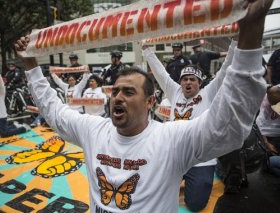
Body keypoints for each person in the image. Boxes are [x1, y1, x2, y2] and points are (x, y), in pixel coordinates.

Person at [15, 1, 271, 211]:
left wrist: (250, 32)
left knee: (195, 203)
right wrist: (31, 66)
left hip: (196, 160)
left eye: (128, 92)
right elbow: (54, 111)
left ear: (150, 102)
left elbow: (227, 126)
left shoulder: (172, 138)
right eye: (115, 91)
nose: (117, 97)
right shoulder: (93, 130)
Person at [143, 37, 236, 211]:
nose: (188, 82)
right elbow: (160, 72)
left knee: (195, 205)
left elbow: (226, 69)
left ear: (200, 83)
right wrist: (146, 49)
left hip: (200, 159)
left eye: (192, 79)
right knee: (150, 192)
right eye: (185, 79)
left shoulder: (209, 93)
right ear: (180, 82)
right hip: (174, 155)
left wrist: (235, 42)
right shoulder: (174, 91)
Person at [256, 84, 280, 176]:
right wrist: (266, 143)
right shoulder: (266, 102)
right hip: (269, 134)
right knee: (269, 160)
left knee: (271, 161)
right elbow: (260, 125)